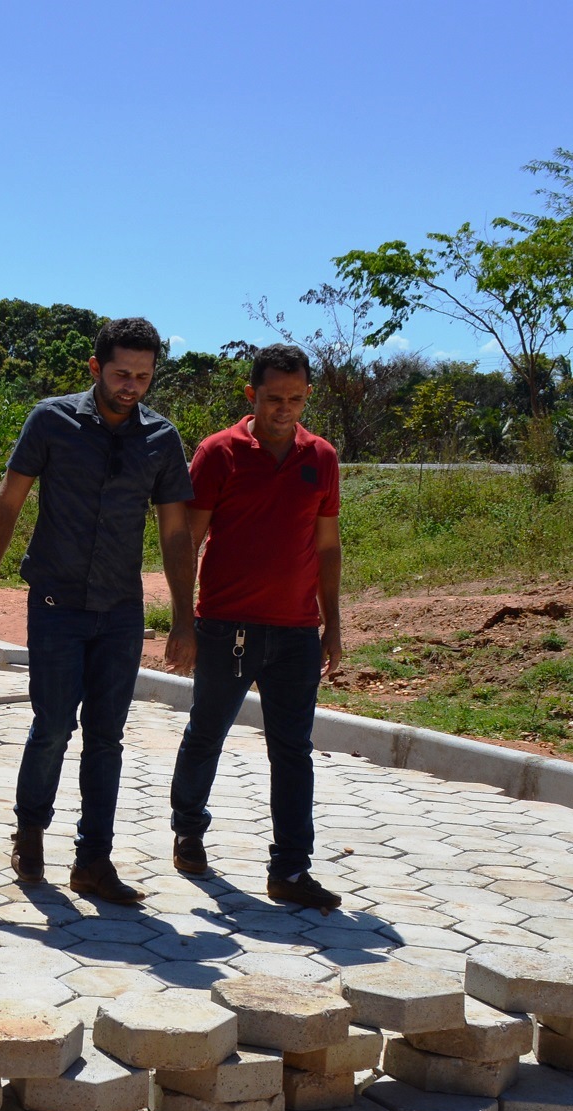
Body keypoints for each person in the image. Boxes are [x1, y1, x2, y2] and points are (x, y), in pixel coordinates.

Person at [0, 316, 197, 905]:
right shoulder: (52, 420)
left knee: (107, 737)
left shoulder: (161, 440)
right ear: (96, 368)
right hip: (56, 603)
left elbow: (176, 534)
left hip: (120, 610)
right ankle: (30, 833)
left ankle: (94, 860)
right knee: (51, 727)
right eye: (122, 373)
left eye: (143, 376)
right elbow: (10, 500)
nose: (132, 386)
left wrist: (183, 619)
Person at [167, 343, 344, 909]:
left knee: (293, 751)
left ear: (307, 395)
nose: (284, 408)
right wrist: (182, 621)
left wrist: (332, 626)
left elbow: (328, 546)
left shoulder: (322, 457)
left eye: (295, 398)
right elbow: (188, 539)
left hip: (296, 631)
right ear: (252, 394)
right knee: (207, 733)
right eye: (273, 398)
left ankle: (290, 870)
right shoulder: (218, 452)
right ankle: (189, 830)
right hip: (226, 627)